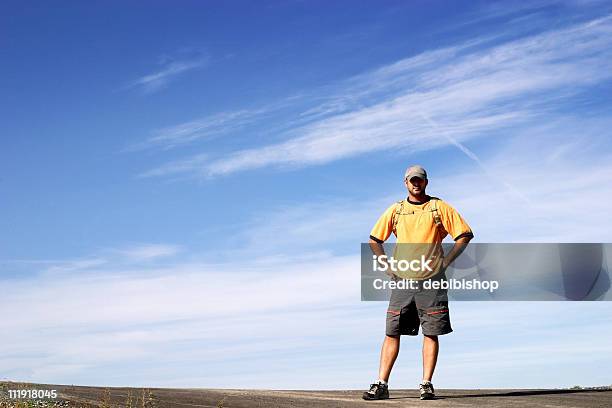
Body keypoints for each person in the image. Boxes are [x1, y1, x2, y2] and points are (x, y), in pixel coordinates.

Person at [363, 165, 473, 401]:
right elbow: (374, 239)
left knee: (430, 332)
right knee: (392, 331)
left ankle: (426, 384)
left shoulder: (438, 207)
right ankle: (381, 384)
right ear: (405, 182)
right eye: (412, 180)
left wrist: (446, 262)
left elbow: (464, 234)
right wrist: (386, 265)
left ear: (426, 182)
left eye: (420, 180)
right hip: (403, 281)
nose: (416, 184)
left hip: (431, 281)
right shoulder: (396, 210)